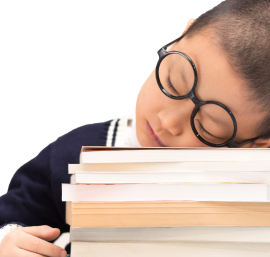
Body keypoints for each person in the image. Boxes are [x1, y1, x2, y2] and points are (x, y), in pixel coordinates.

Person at [1, 0, 270, 256]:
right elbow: (13, 217)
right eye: (174, 82)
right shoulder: (75, 155)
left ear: (259, 145)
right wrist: (9, 241)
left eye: (207, 126)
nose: (168, 122)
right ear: (181, 36)